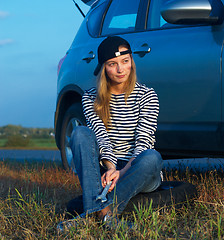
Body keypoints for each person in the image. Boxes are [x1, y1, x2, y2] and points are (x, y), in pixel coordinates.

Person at [57, 36, 163, 231]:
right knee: (80, 133)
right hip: (106, 169)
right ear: (103, 67)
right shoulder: (90, 98)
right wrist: (111, 167)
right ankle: (105, 216)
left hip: (137, 168)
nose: (121, 69)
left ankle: (94, 213)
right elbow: (101, 138)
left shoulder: (148, 95)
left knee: (152, 157)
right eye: (112, 64)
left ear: (132, 61)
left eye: (125, 61)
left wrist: (121, 172)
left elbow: (144, 142)